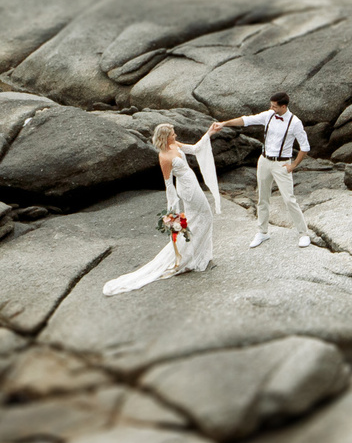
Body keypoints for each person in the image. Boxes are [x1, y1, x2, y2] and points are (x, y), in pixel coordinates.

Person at [102, 124, 218, 295]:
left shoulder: (174, 145)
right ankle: (191, 259)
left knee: (198, 220)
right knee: (204, 217)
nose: (175, 134)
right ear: (165, 137)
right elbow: (168, 185)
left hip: (192, 184)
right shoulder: (164, 156)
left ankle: (197, 257)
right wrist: (172, 212)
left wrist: (209, 132)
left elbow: (194, 148)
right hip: (187, 190)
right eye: (172, 134)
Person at [210, 93, 312, 249]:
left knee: (289, 199)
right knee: (262, 198)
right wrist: (224, 123)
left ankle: (304, 234)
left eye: (274, 106)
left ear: (283, 106)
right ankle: (262, 232)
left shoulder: (295, 123)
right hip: (264, 161)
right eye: (271, 105)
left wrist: (293, 165)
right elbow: (247, 120)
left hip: (282, 164)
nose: (271, 108)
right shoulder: (269, 115)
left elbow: (305, 147)